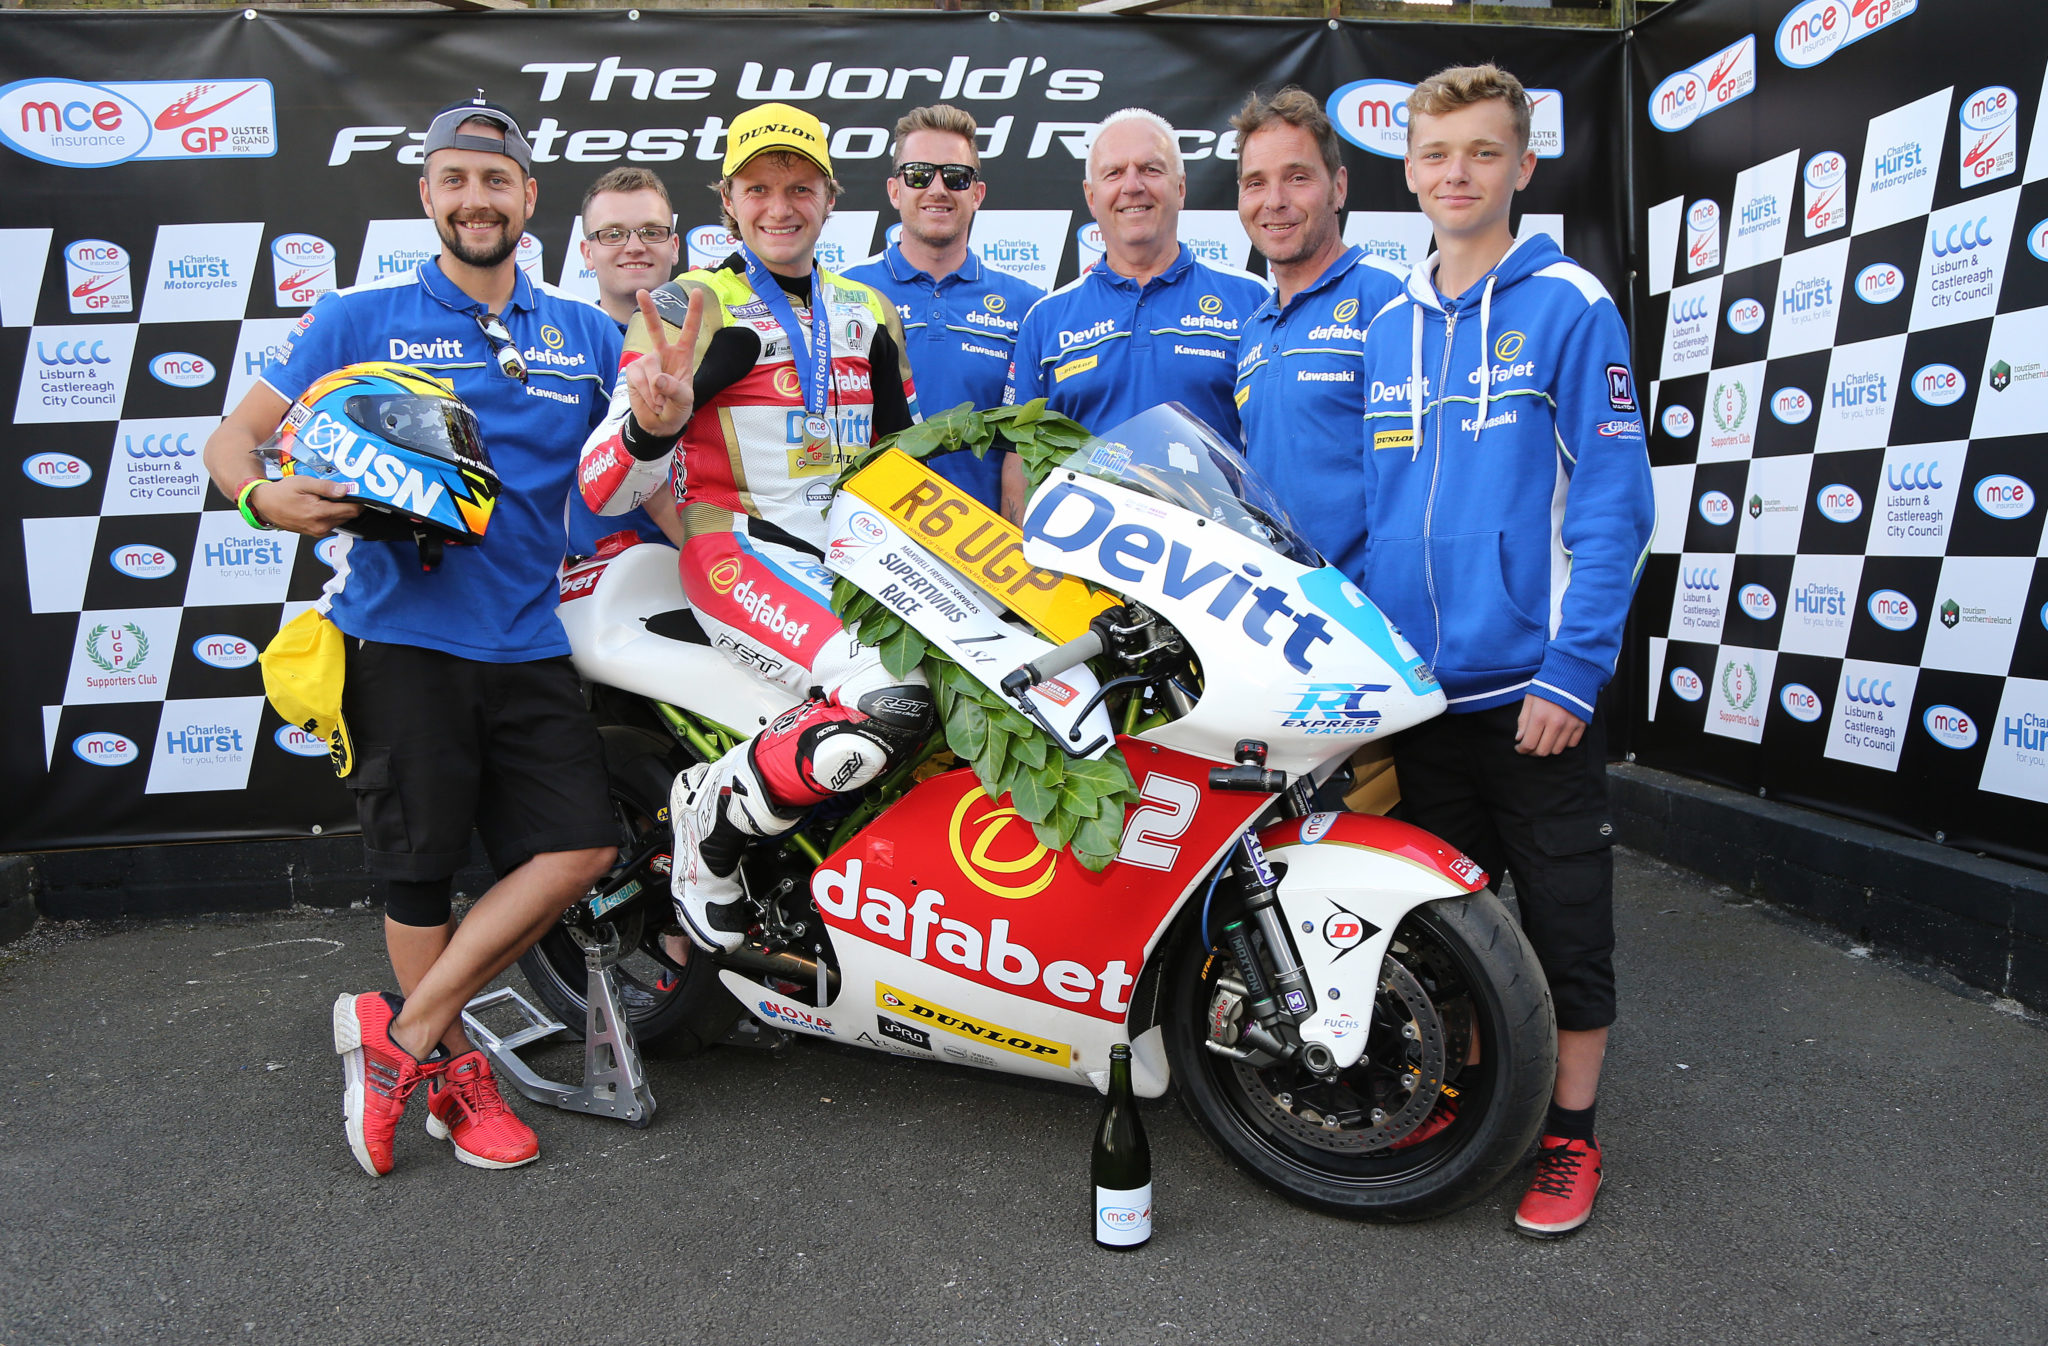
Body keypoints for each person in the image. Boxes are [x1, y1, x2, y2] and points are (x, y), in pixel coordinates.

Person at [202, 97, 624, 1177]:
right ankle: (451, 1075)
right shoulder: (356, 317)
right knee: (420, 878)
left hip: (531, 637)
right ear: (427, 195)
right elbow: (232, 439)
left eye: (497, 181)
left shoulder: (584, 334)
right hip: (398, 641)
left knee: (581, 845)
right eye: (455, 180)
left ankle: (401, 1029)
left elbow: (637, 471)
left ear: (531, 200)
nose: (476, 199)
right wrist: (261, 501)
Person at [1352, 65, 1654, 1238]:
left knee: (1567, 923)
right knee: (1443, 921)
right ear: (1409, 169)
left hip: (1534, 693)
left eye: (1480, 153)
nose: (1454, 175)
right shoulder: (1386, 319)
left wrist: (1572, 670)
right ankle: (1471, 1098)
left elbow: (1612, 504)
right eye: (1434, 155)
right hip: (1419, 701)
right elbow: (1382, 513)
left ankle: (1569, 1136)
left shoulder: (1570, 303)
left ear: (1521, 167)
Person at [576, 102, 932, 956]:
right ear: (727, 201)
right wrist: (649, 427)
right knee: (894, 700)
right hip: (735, 551)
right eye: (758, 187)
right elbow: (602, 486)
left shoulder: (870, 310)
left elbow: (897, 461)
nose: (780, 206)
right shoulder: (689, 302)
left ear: (830, 199)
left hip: (858, 559)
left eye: (799, 186)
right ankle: (712, 818)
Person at [1001, 107, 1266, 518]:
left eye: (1150, 169)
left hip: (1219, 568)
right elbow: (1020, 462)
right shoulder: (1047, 318)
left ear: (1180, 188)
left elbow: (1271, 447)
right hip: (1084, 569)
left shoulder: (1251, 300)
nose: (1132, 186)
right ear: (1091, 197)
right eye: (1113, 173)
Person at [1230, 87, 1404, 581]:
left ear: (1339, 186)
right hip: (1286, 615)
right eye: (1255, 183)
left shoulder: (1392, 298)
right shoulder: (1255, 328)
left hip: (1377, 620)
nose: (1275, 201)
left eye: (1297, 178)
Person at [843, 104, 1043, 509]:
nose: (938, 189)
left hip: (986, 550)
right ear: (894, 190)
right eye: (919, 174)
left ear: (977, 194)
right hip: (869, 545)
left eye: (955, 176)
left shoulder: (1030, 306)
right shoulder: (845, 293)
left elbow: (1027, 448)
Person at [568, 166, 685, 554]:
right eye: (613, 234)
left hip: (712, 572)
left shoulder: (718, 339)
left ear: (674, 246)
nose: (634, 246)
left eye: (651, 232)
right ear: (587, 253)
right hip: (595, 588)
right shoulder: (561, 350)